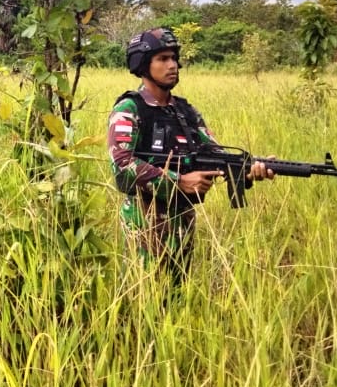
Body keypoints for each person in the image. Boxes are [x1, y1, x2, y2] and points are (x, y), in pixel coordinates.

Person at [107, 27, 273, 283]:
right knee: (144, 298)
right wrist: (179, 181)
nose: (173, 65)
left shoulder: (185, 112)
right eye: (163, 59)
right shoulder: (130, 108)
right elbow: (122, 165)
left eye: (174, 58)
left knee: (176, 294)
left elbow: (214, 153)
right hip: (144, 221)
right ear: (143, 63)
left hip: (183, 221)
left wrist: (248, 169)